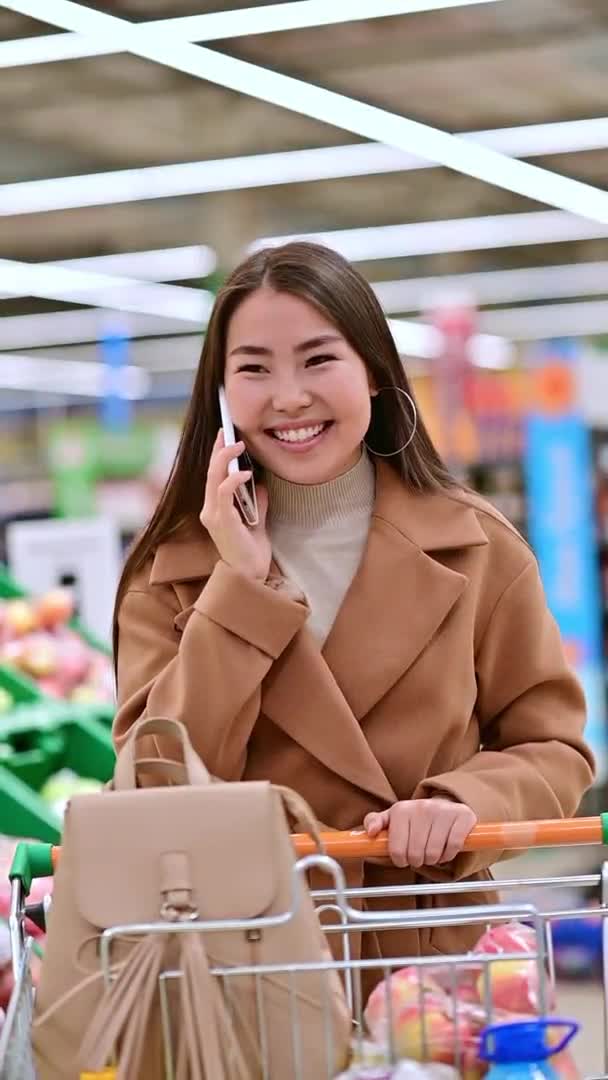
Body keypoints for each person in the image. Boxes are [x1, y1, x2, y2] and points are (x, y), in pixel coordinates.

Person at [112, 240, 594, 965]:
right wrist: (239, 589)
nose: (289, 396)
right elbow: (153, 783)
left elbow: (553, 748)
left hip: (434, 957)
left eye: (318, 359)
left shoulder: (477, 546)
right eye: (253, 369)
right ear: (220, 391)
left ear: (372, 371)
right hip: (246, 958)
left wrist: (466, 802)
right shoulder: (170, 568)